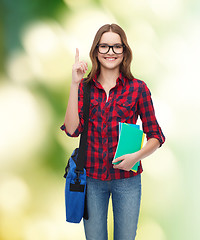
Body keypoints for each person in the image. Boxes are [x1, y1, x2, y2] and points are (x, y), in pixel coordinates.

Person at [61, 23, 165, 240]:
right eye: (104, 47)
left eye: (116, 47)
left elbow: (156, 135)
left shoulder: (138, 88)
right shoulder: (84, 88)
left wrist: (136, 157)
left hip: (127, 180)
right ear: (96, 51)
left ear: (124, 51)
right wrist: (74, 83)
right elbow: (72, 130)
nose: (110, 52)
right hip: (92, 180)